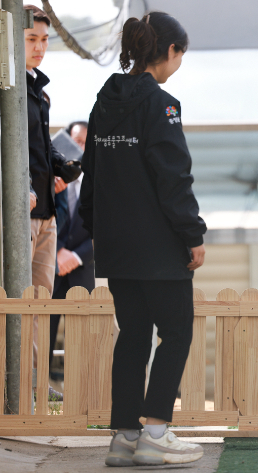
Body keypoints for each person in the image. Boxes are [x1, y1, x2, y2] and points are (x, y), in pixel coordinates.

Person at [79, 11, 207, 466]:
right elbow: (173, 178)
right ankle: (156, 432)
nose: (178, 64)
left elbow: (89, 178)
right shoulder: (162, 105)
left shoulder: (102, 104)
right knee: (175, 334)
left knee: (132, 335)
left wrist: (98, 234)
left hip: (115, 248)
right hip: (159, 249)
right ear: (170, 51)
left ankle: (124, 439)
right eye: (180, 55)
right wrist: (192, 234)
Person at [24, 5, 81, 375]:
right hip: (17, 212)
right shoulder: (7, 89)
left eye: (45, 40)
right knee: (13, 301)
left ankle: (31, 388)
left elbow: (42, 145)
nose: (40, 47)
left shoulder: (39, 92)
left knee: (39, 304)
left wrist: (65, 167)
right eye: (32, 39)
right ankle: (9, 391)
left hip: (45, 214)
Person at [49, 122, 93, 397]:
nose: (80, 148)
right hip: (50, 269)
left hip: (82, 269)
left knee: (81, 338)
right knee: (43, 333)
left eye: (87, 143)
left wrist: (75, 255)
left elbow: (109, 229)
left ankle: (81, 395)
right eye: (76, 141)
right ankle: (38, 391)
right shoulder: (51, 179)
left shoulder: (102, 183)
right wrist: (56, 252)